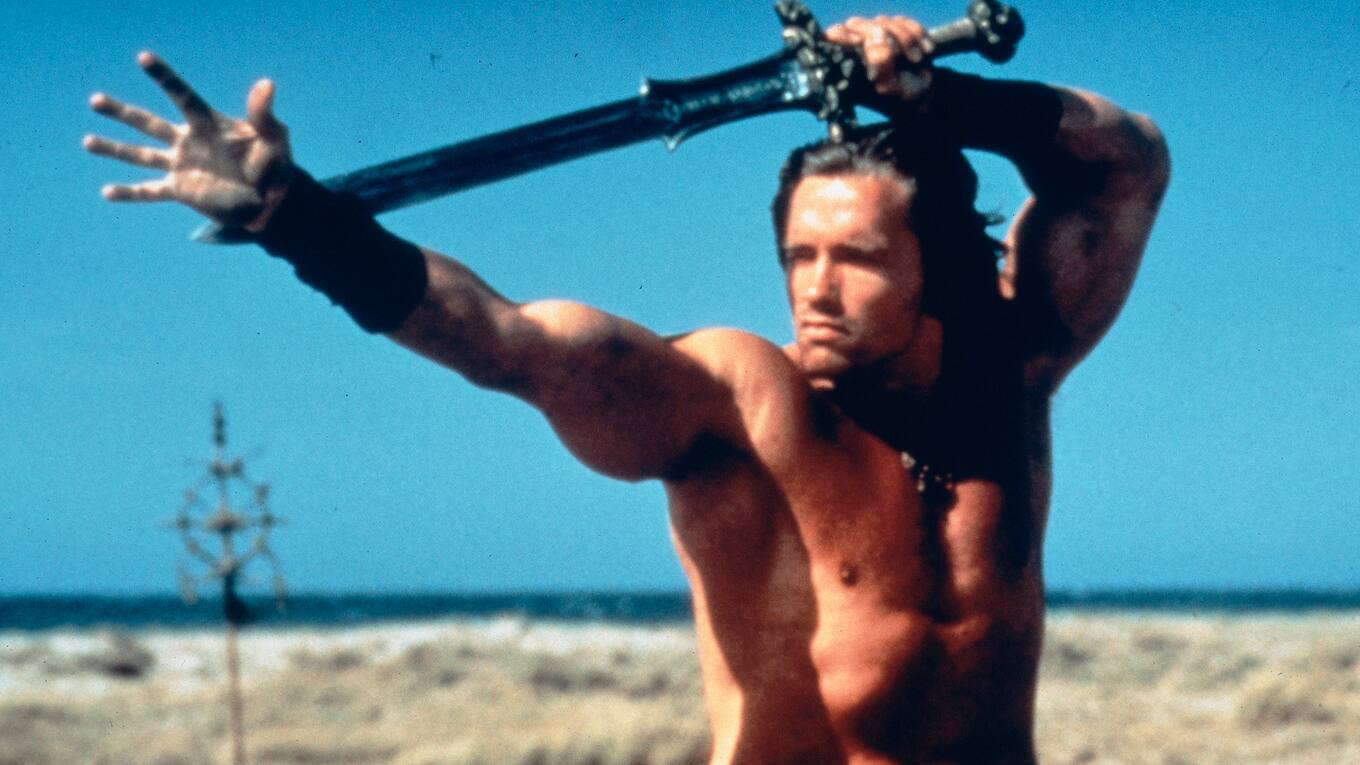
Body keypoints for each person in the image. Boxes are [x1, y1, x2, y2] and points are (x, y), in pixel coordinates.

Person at [85, 14, 1168, 765]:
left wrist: (948, 98)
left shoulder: (1014, 374)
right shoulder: (743, 407)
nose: (815, 289)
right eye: (798, 256)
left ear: (943, 265)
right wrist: (295, 219)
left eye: (858, 259)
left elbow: (1127, 162)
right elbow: (507, 343)